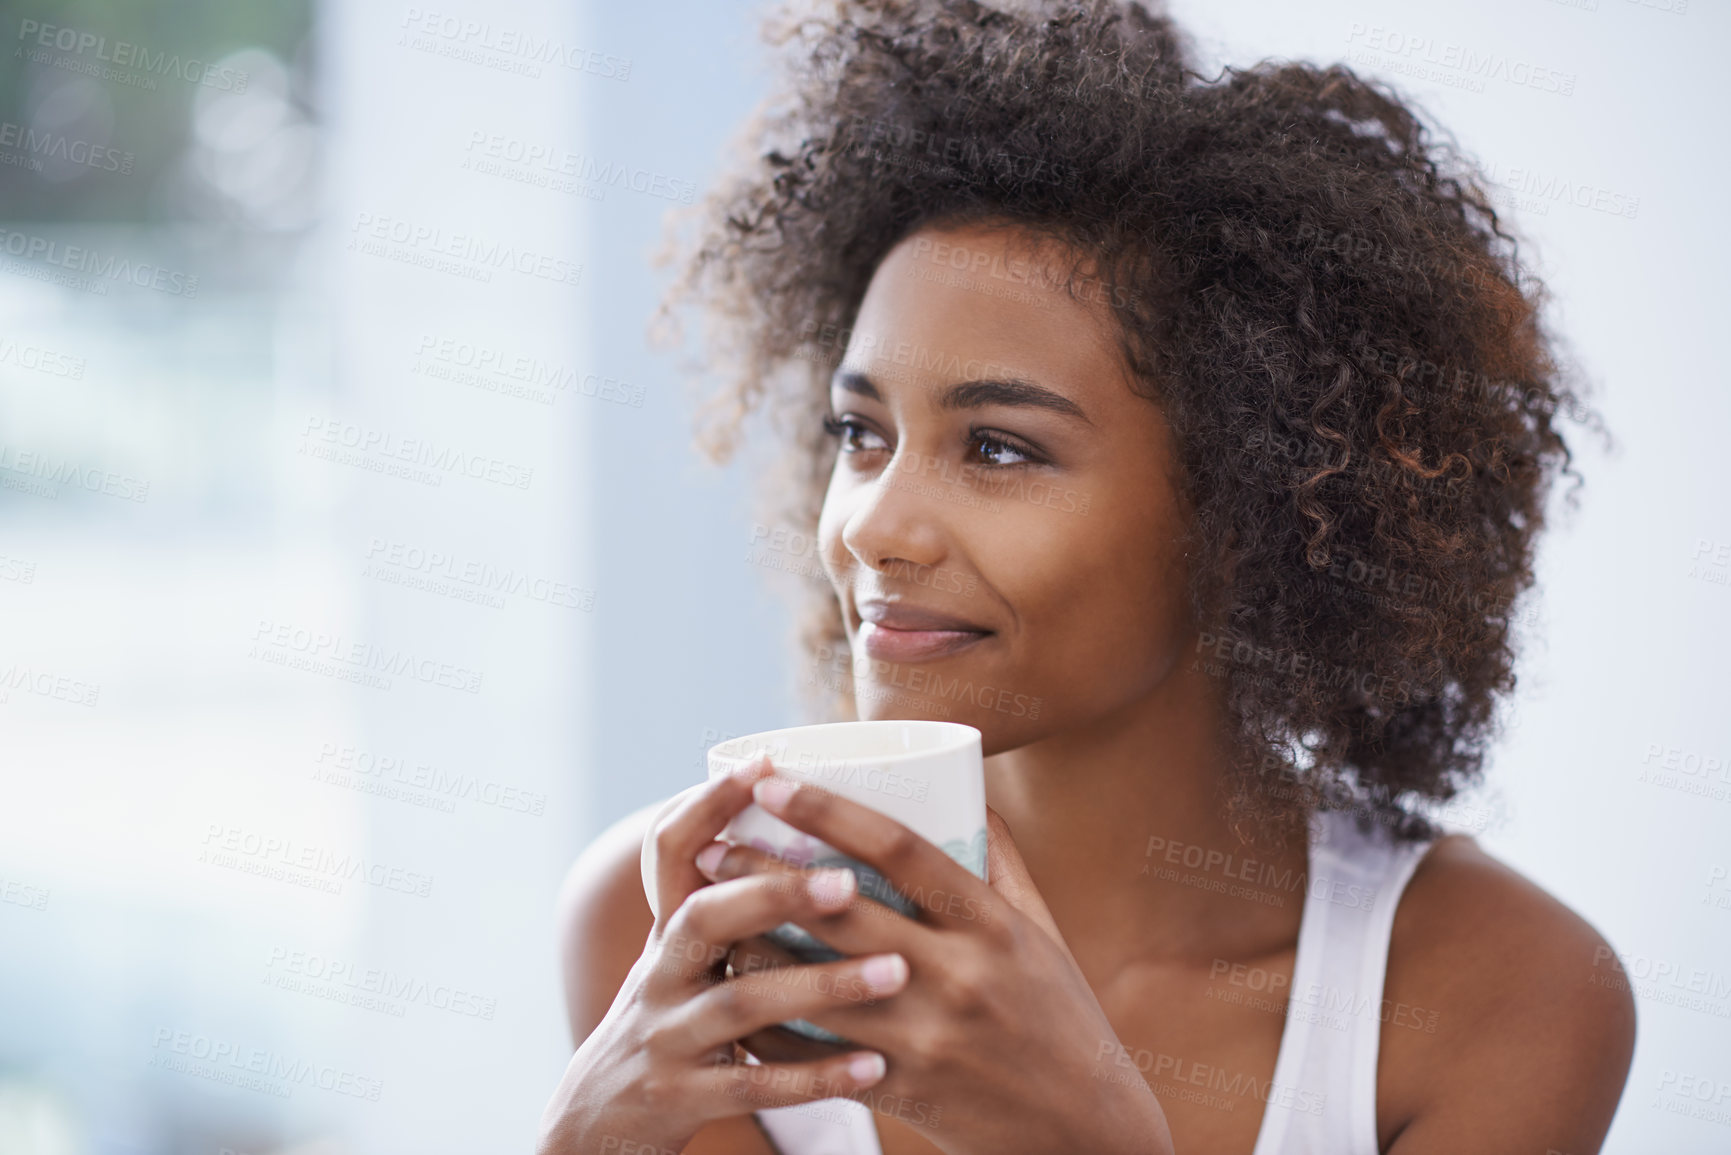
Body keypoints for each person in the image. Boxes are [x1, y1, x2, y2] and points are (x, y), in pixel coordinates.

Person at [534, 1, 1634, 1152]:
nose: (872, 526)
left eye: (999, 448)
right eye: (862, 434)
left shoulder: (1500, 996)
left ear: (1249, 507)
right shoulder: (673, 925)